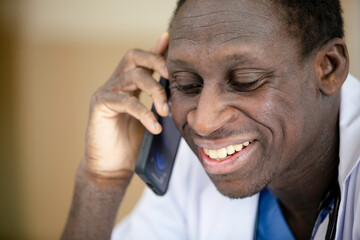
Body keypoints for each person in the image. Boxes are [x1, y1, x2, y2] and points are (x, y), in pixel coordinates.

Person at [62, 0, 360, 239]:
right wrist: (101, 183)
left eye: (245, 80)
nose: (203, 123)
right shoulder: (199, 167)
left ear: (328, 68)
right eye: (187, 84)